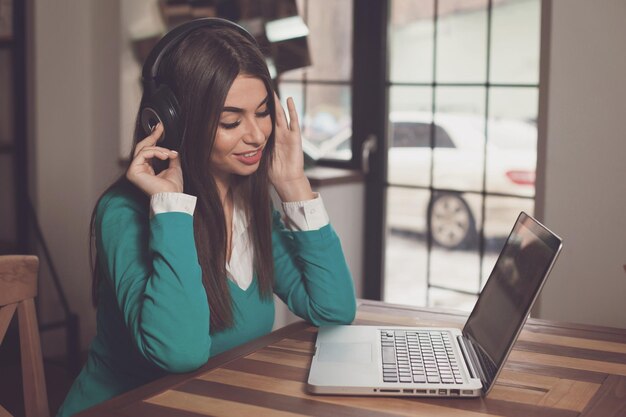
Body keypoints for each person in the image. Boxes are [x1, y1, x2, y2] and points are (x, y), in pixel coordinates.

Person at [57, 18, 356, 417]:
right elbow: (179, 353)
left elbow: (334, 308)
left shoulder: (252, 203)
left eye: (263, 112)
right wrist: (172, 208)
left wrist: (295, 186)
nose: (256, 135)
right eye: (231, 121)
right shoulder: (124, 213)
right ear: (177, 123)